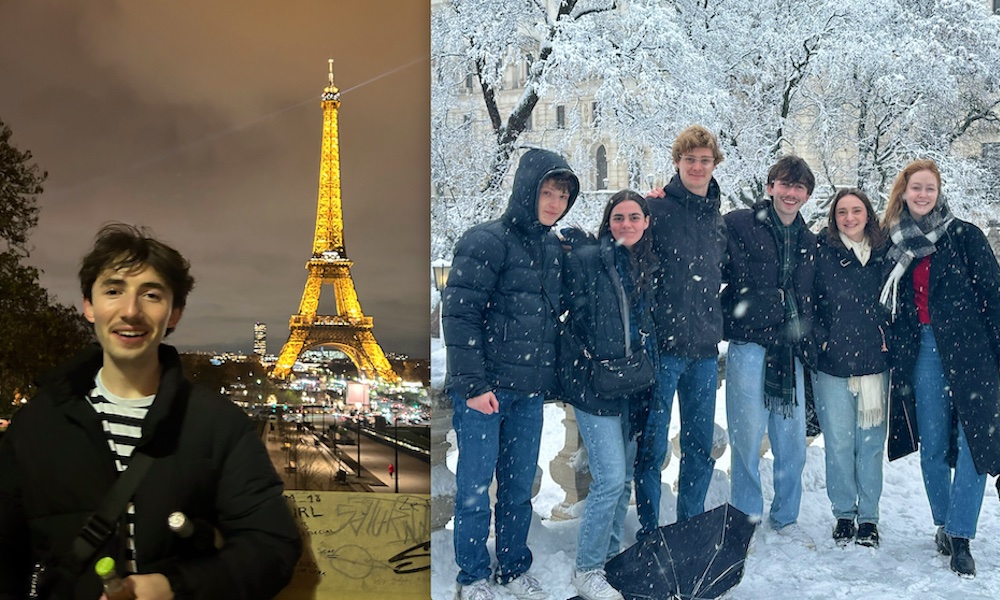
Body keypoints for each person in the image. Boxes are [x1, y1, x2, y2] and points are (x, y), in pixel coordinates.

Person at [0, 223, 302, 599]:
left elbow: (271, 547)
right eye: (113, 291)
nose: (131, 311)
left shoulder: (221, 426)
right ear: (89, 307)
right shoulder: (35, 424)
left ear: (174, 313)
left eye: (152, 295)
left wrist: (173, 587)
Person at [443, 148, 579, 600]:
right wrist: (475, 386)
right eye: (547, 191)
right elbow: (460, 317)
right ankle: (473, 576)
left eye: (562, 195)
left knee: (519, 489)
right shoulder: (486, 240)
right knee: (475, 491)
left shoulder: (553, 250)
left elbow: (554, 313)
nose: (554, 202)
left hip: (528, 393)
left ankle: (514, 566)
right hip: (486, 393)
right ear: (526, 190)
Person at [879, 159, 1000, 577]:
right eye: (916, 188)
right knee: (931, 444)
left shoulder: (965, 236)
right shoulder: (893, 242)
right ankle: (942, 524)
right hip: (923, 350)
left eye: (930, 188)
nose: (923, 195)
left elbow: (994, 297)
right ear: (904, 191)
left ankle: (961, 535)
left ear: (939, 191)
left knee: (973, 444)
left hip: (971, 352)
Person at [561, 190, 659, 600]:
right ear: (607, 223)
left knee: (622, 482)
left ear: (647, 222)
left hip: (633, 386)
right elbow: (561, 309)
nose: (626, 225)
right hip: (595, 385)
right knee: (610, 479)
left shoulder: (649, 263)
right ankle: (587, 568)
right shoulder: (590, 258)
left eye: (635, 217)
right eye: (618, 218)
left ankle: (611, 556)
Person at [721, 155, 817, 547]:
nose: (791, 193)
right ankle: (744, 514)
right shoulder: (739, 224)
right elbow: (723, 276)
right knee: (746, 437)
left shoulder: (810, 241)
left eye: (799, 187)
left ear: (807, 194)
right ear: (770, 187)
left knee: (791, 440)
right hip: (750, 346)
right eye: (784, 184)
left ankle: (786, 517)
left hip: (788, 352)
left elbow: (810, 296)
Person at [637, 125, 728, 536]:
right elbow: (619, 249)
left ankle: (689, 524)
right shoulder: (654, 210)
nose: (696, 166)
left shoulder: (717, 218)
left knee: (698, 447)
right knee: (653, 446)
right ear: (677, 162)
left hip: (706, 352)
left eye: (704, 160)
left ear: (714, 165)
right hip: (662, 350)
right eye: (689, 159)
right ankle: (650, 529)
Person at [811, 188, 889, 548]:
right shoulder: (821, 252)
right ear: (834, 217)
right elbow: (808, 301)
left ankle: (869, 518)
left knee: (870, 444)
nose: (850, 218)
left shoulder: (885, 252)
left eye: (856, 211)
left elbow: (896, 302)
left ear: (868, 214)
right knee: (839, 443)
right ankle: (844, 512)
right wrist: (822, 339)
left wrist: (888, 335)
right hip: (833, 364)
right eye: (842, 212)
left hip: (875, 362)